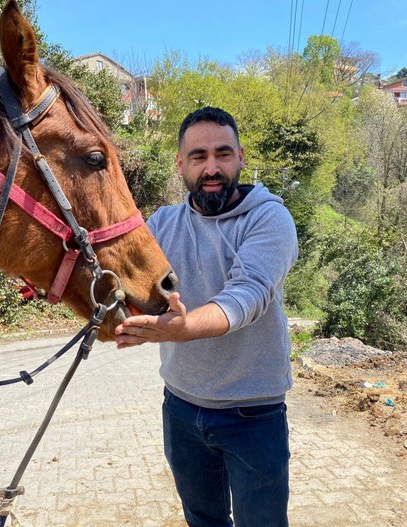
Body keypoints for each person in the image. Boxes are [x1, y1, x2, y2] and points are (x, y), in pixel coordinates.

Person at [115, 106, 298, 527]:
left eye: (223, 154)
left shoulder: (270, 218)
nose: (211, 168)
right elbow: (122, 274)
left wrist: (182, 329)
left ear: (241, 156)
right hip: (180, 407)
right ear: (181, 163)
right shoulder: (162, 222)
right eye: (198, 157)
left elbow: (248, 294)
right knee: (202, 521)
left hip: (254, 414)